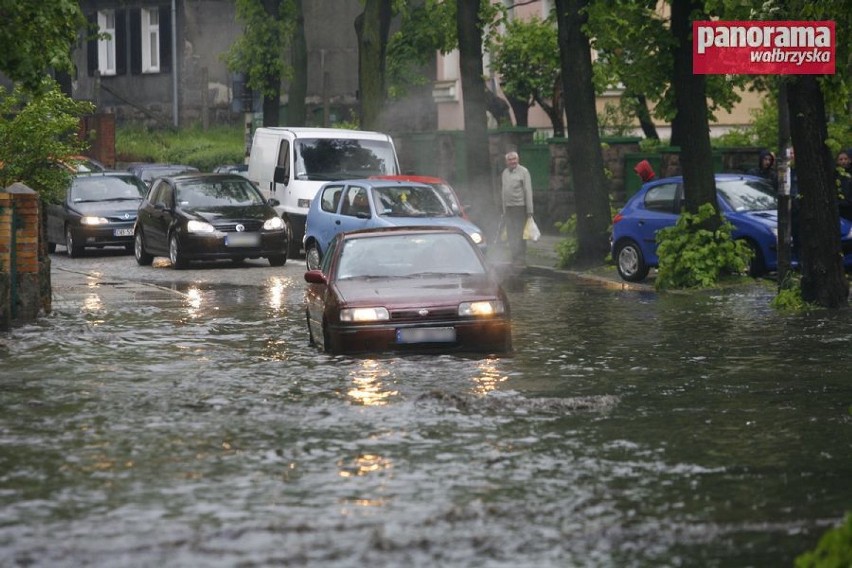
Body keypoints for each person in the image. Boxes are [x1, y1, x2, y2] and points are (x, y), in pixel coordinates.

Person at [501, 151, 534, 266]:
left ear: (518, 160)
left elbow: (527, 191)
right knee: (511, 234)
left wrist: (530, 210)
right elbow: (503, 192)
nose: (512, 162)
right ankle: (514, 256)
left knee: (520, 233)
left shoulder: (524, 172)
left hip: (520, 207)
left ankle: (521, 257)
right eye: (510, 160)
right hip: (509, 208)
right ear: (506, 162)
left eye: (514, 159)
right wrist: (504, 209)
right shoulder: (505, 173)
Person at [836, 149, 852, 221]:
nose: (843, 161)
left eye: (845, 159)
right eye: (841, 159)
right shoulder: (835, 175)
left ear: (850, 160)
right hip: (840, 208)